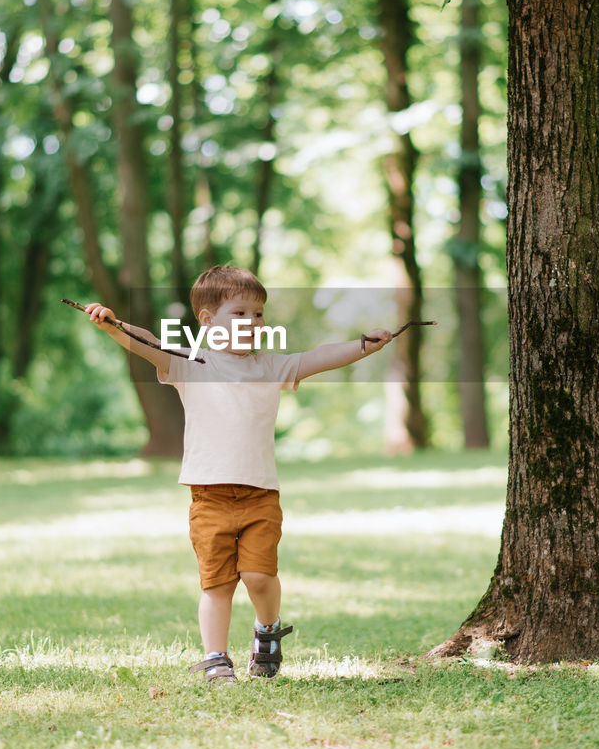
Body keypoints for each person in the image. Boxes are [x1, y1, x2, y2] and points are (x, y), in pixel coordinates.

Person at [82, 265, 392, 684]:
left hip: (260, 496)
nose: (254, 323)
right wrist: (113, 325)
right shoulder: (191, 363)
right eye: (241, 314)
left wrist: (363, 347)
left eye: (259, 314)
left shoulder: (269, 367)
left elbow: (316, 358)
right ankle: (216, 659)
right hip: (208, 497)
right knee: (217, 583)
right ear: (208, 321)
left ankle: (267, 632)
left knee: (260, 576)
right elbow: (148, 343)